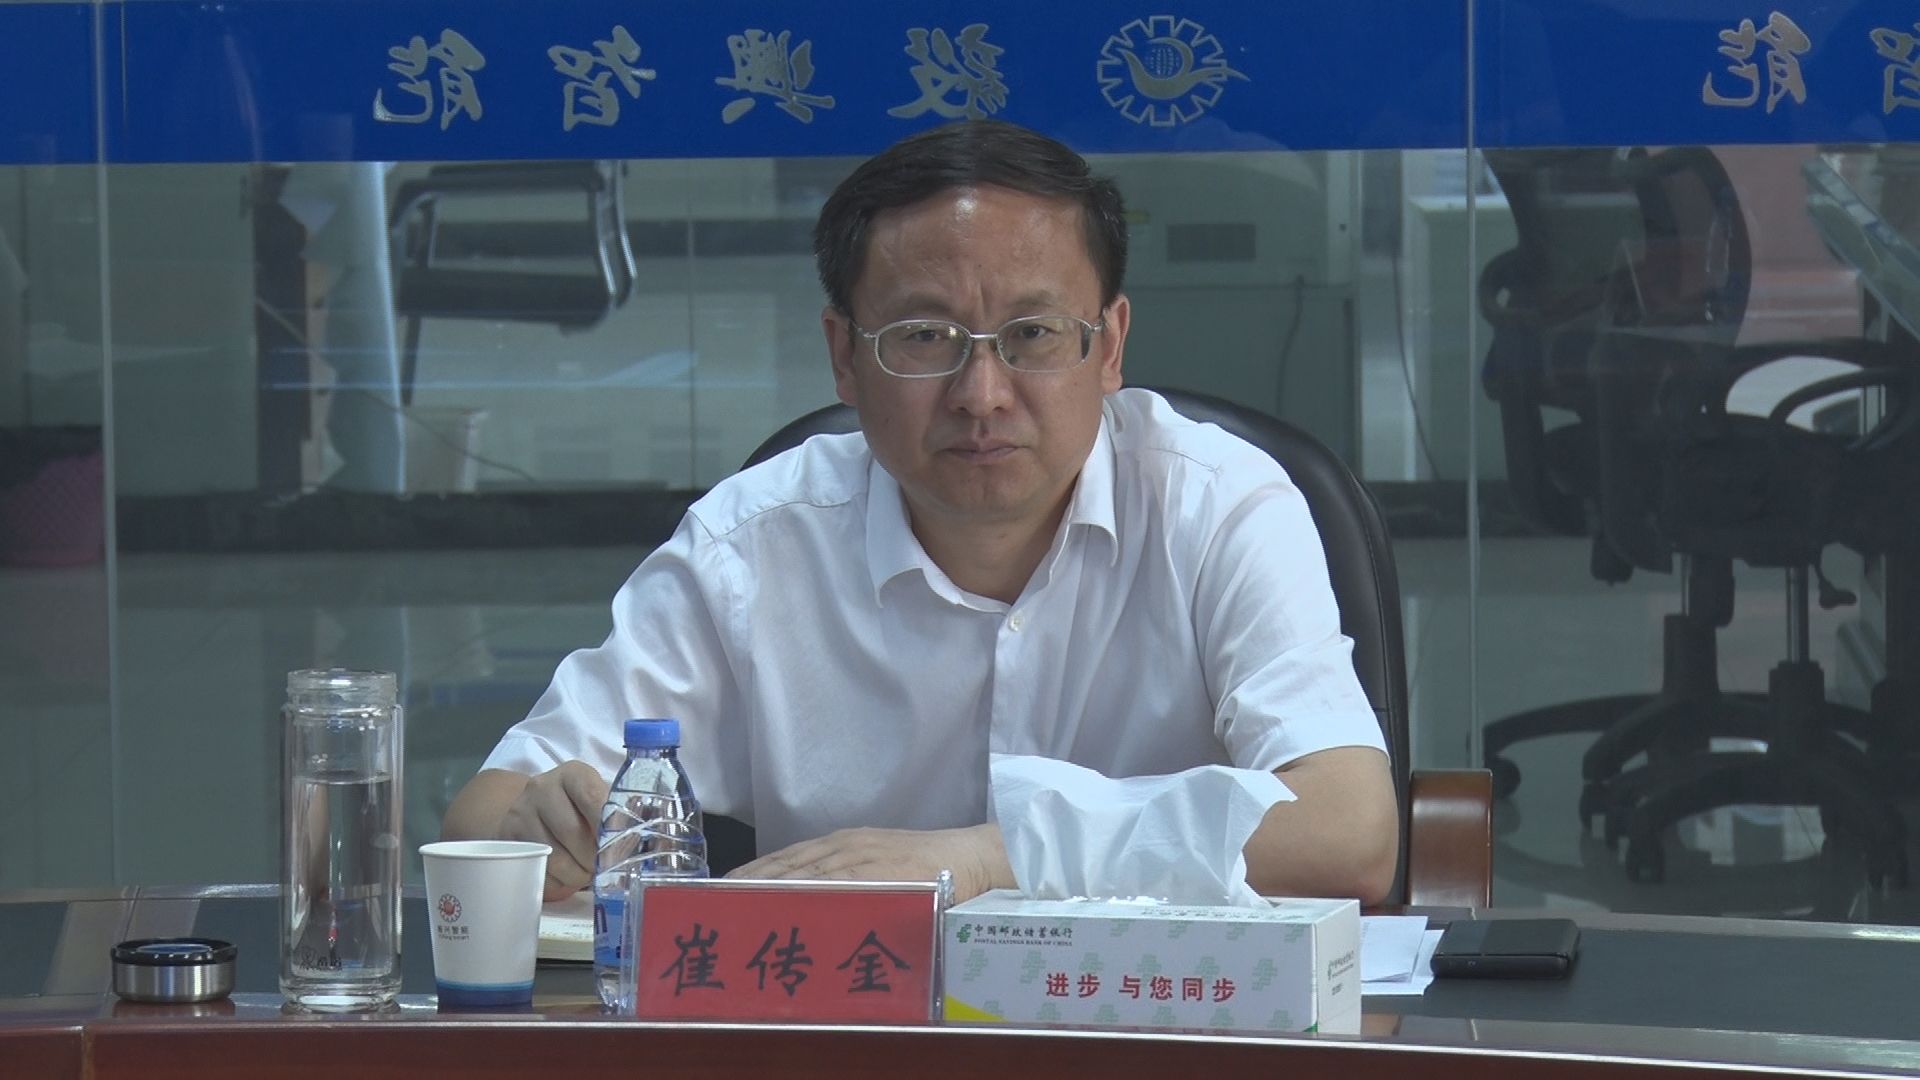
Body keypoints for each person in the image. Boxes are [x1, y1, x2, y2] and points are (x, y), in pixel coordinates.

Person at [443, 120, 1398, 905]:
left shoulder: (1217, 505)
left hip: (1150, 1032)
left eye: (1031, 334)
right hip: (851, 1036)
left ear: (1109, 346)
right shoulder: (752, 547)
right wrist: (542, 826)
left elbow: (1352, 830)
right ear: (844, 356)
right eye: (925, 337)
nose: (982, 394)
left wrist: (990, 856)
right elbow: (484, 814)